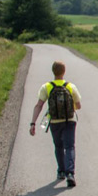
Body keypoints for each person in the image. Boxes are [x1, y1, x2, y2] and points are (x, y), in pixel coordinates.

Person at [28, 60, 82, 188]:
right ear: (64, 71)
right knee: (70, 147)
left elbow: (39, 105)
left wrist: (33, 123)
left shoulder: (46, 87)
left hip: (54, 122)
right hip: (69, 121)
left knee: (58, 146)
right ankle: (70, 174)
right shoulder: (70, 86)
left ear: (53, 71)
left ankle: (61, 171)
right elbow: (78, 106)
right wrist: (68, 107)